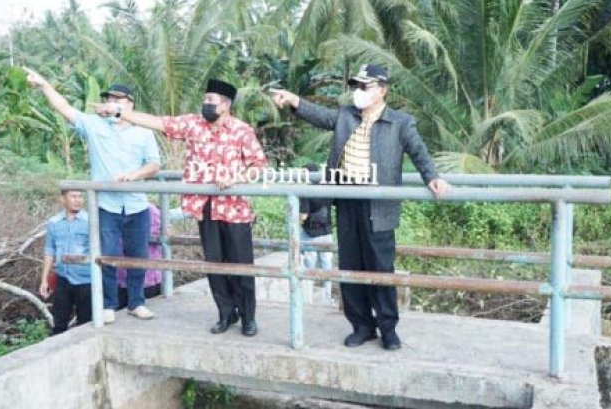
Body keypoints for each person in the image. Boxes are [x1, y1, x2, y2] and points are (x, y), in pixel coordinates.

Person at [271, 64, 450, 351]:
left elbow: (419, 152)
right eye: (356, 86)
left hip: (378, 205)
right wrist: (294, 100)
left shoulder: (401, 123)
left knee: (381, 268)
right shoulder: (345, 116)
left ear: (382, 90)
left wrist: (433, 178)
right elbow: (319, 115)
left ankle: (388, 329)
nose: (358, 92)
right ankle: (362, 326)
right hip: (346, 201)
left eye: (365, 87)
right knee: (351, 266)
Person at [96, 79, 268, 336]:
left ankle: (248, 317)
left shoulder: (242, 131)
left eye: (211, 101)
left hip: (234, 208)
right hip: (204, 206)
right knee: (214, 264)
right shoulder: (193, 125)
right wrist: (120, 112)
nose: (205, 104)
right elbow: (158, 122)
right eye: (205, 99)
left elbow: (259, 166)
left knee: (241, 263)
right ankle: (225, 313)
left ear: (226, 105)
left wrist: (236, 178)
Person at [25, 67, 161, 324]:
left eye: (117, 99)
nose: (111, 103)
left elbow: (154, 164)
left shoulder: (144, 131)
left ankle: (136, 302)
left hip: (136, 204)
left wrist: (135, 175)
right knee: (107, 254)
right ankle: (109, 304)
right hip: (106, 204)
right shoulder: (95, 125)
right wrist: (44, 85)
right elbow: (64, 108)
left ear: (130, 104)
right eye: (109, 99)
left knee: (138, 255)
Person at [39, 190, 91, 335]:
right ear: (63, 199)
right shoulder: (54, 222)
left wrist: (75, 259)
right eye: (73, 196)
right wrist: (44, 280)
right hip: (63, 278)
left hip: (86, 280)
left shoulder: (90, 221)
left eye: (80, 197)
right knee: (59, 323)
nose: (78, 200)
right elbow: (49, 250)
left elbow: (98, 252)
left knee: (85, 323)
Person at [116, 204, 163, 308]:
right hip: (121, 277)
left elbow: (156, 233)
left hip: (147, 278)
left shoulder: (150, 211)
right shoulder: (113, 208)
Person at [299, 163, 334, 302]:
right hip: (326, 233)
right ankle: (328, 298)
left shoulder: (307, 191)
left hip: (310, 234)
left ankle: (308, 299)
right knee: (327, 268)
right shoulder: (326, 189)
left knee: (308, 267)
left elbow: (303, 216)